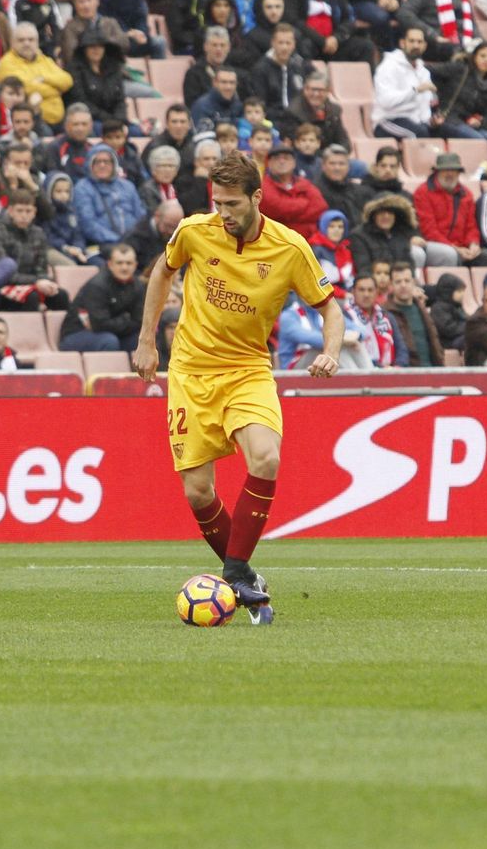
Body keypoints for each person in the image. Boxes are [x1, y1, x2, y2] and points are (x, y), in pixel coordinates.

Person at [129, 152, 340, 617]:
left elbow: (329, 306)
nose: (222, 213)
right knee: (198, 492)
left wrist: (331, 350)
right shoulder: (193, 231)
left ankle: (237, 572)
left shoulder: (289, 248)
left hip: (247, 369)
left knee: (266, 456)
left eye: (231, 204)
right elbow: (162, 272)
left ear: (257, 197)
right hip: (190, 371)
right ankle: (244, 578)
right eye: (216, 203)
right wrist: (147, 341)